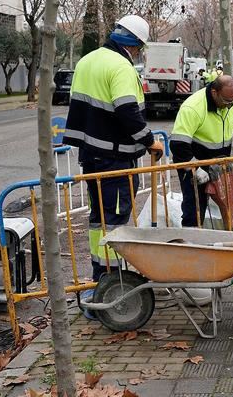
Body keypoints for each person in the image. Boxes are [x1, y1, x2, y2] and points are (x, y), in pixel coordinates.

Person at [63, 14, 164, 286]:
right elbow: (126, 109)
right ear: (134, 46)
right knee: (116, 219)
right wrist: (149, 141)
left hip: (91, 157)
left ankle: (100, 276)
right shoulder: (120, 66)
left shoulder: (87, 60)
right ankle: (113, 280)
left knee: (99, 219)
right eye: (139, 49)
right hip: (115, 159)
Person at [170, 75, 233, 231]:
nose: (229, 105)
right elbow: (178, 145)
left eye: (232, 101)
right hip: (197, 164)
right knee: (195, 210)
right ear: (214, 92)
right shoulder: (193, 107)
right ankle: (192, 247)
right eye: (225, 101)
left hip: (223, 165)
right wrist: (194, 168)